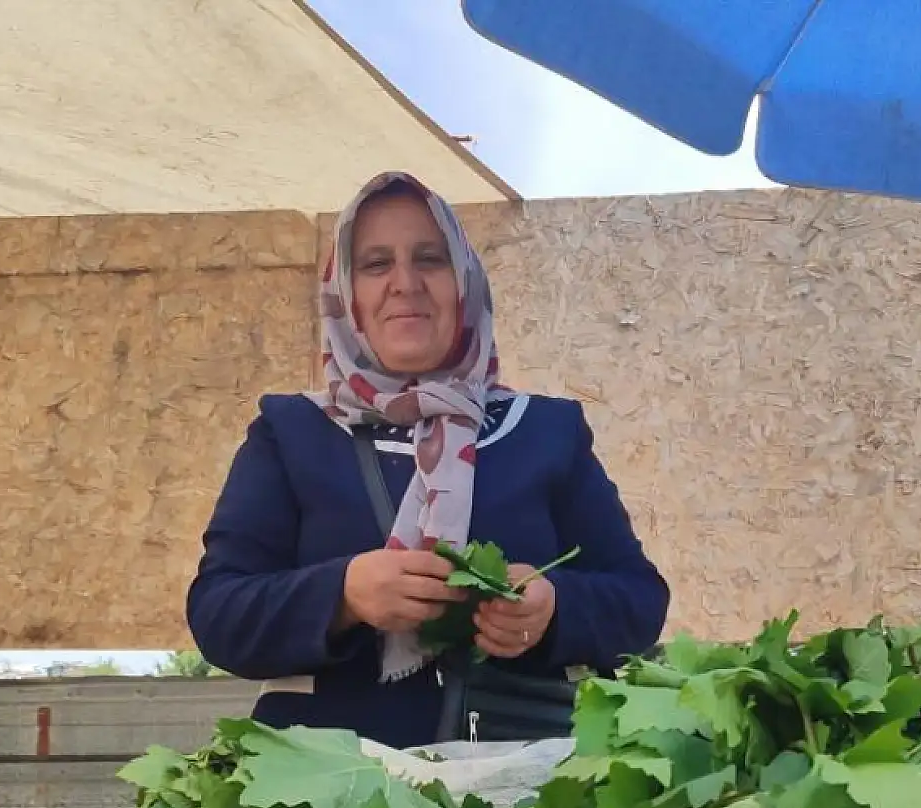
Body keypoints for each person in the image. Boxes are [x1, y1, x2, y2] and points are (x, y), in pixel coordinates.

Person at [186, 171, 668, 748]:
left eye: (430, 258)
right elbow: (218, 614)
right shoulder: (291, 433)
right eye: (375, 264)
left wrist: (554, 606)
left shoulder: (544, 432)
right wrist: (343, 594)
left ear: (464, 282)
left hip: (524, 798)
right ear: (348, 297)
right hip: (333, 805)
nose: (405, 283)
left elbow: (639, 601)